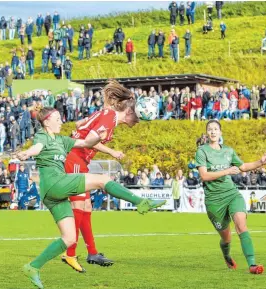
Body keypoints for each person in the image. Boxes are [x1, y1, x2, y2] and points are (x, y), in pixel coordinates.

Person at [17, 107, 165, 288]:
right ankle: (142, 203)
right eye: (57, 118)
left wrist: (99, 135)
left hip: (52, 194)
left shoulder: (63, 140)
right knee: (103, 180)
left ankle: (32, 267)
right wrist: (26, 153)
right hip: (56, 183)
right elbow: (37, 147)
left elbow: (86, 143)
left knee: (69, 238)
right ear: (46, 122)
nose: (61, 121)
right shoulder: (43, 136)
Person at [62, 80, 140, 271]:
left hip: (80, 160)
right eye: (136, 114)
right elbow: (90, 141)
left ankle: (92, 253)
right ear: (128, 112)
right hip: (75, 158)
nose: (137, 120)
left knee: (86, 205)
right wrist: (112, 152)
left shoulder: (108, 114)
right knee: (79, 204)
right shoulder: (110, 117)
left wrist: (80, 125)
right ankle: (70, 253)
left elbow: (83, 126)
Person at [195, 120, 266, 274]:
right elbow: (204, 175)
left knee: (241, 226)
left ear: (220, 132)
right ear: (207, 133)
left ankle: (252, 265)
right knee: (227, 238)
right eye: (210, 129)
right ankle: (227, 255)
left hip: (231, 194)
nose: (213, 131)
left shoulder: (228, 151)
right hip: (214, 200)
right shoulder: (202, 151)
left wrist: (260, 162)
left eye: (216, 129)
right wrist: (227, 171)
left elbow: (243, 167)